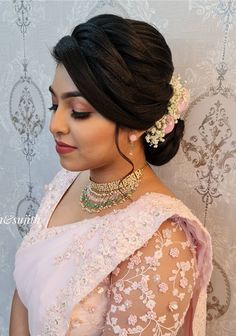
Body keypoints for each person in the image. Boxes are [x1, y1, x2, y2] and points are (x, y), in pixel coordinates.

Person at [10, 13, 213, 336]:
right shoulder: (69, 181)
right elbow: (25, 291)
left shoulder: (160, 239)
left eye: (78, 112)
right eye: (54, 106)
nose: (55, 126)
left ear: (134, 123)